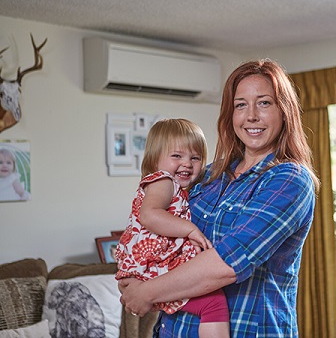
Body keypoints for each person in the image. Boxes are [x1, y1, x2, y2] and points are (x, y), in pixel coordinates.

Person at [119, 59, 320, 337]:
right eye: (240, 105)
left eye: (264, 103)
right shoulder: (210, 174)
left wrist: (146, 292)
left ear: (284, 111)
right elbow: (162, 230)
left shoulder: (289, 181)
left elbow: (227, 265)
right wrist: (134, 272)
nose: (251, 116)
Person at [115, 118, 230, 338]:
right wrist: (190, 230)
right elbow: (149, 215)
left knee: (211, 304)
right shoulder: (163, 181)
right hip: (149, 268)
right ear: (154, 158)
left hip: (151, 268)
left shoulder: (180, 187)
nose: (187, 163)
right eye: (177, 156)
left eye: (195, 158)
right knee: (214, 305)